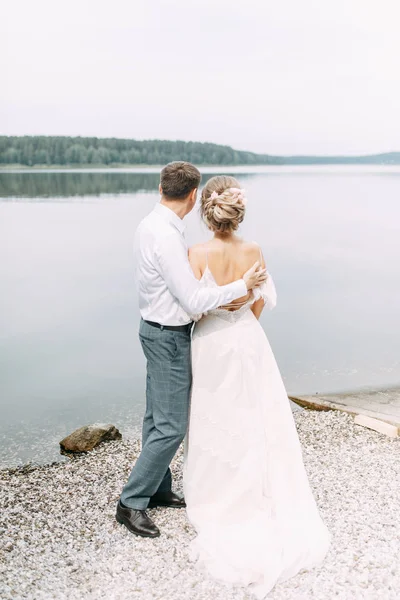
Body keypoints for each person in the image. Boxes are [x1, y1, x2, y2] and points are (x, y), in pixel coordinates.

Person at [184, 175, 331, 598]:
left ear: (207, 212)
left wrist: (219, 325)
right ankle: (257, 485)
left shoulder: (196, 252)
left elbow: (194, 307)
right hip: (248, 339)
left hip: (212, 343)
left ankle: (217, 489)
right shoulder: (254, 250)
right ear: (238, 210)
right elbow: (262, 298)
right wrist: (242, 325)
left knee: (214, 414)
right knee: (255, 413)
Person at [116, 163, 267, 538]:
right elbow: (194, 297)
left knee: (156, 418)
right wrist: (242, 285)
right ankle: (131, 502)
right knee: (171, 426)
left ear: (161, 187)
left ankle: (158, 487)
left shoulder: (154, 223)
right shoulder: (165, 234)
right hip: (167, 334)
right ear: (194, 194)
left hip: (155, 329)